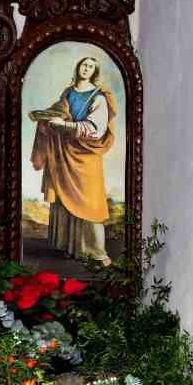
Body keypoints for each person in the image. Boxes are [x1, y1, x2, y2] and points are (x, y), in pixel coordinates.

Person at [28, 56, 115, 263]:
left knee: (90, 202)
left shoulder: (99, 97)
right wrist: (43, 117)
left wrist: (66, 125)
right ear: (78, 67)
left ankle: (96, 253)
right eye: (84, 65)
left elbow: (96, 129)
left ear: (94, 71)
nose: (86, 68)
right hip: (64, 153)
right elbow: (57, 113)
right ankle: (71, 248)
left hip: (86, 155)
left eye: (90, 66)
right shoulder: (68, 93)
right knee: (64, 198)